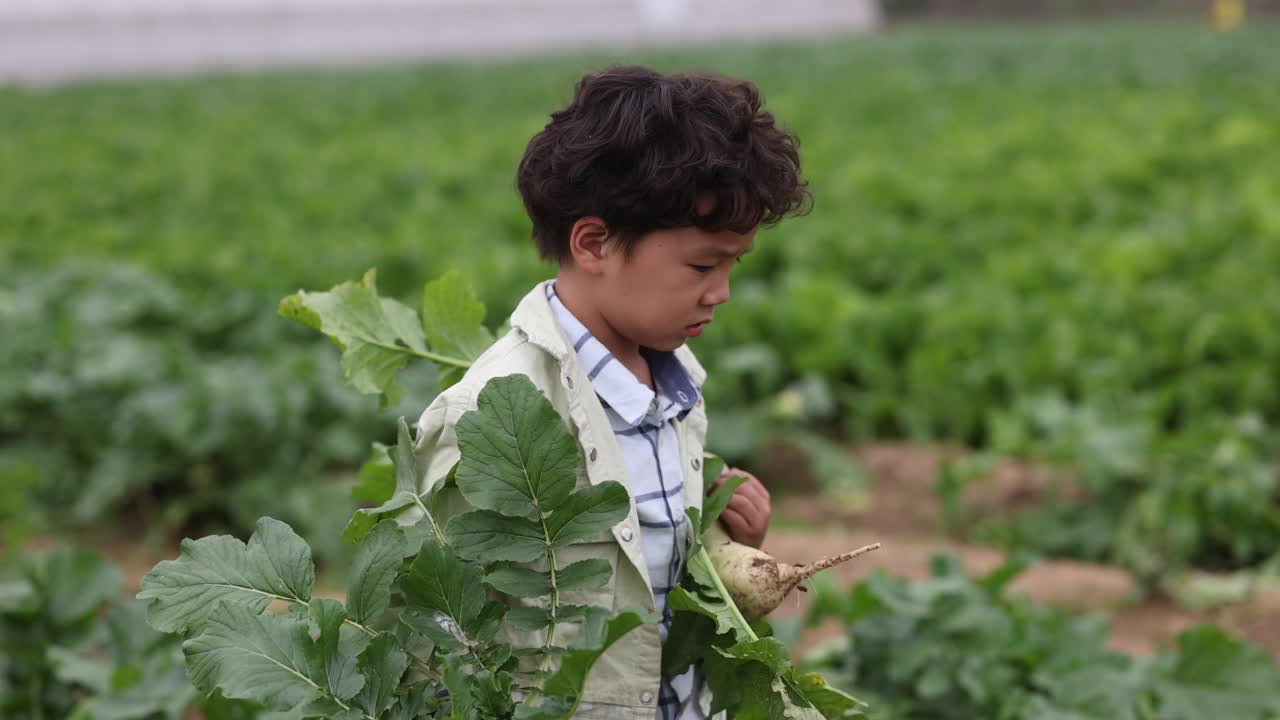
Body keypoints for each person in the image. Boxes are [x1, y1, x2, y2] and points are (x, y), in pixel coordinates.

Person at [405, 64, 810, 719]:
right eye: (704, 265)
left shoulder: (675, 390)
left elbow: (652, 588)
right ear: (593, 243)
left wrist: (723, 543)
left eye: (735, 264)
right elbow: (439, 632)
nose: (722, 290)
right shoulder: (490, 412)